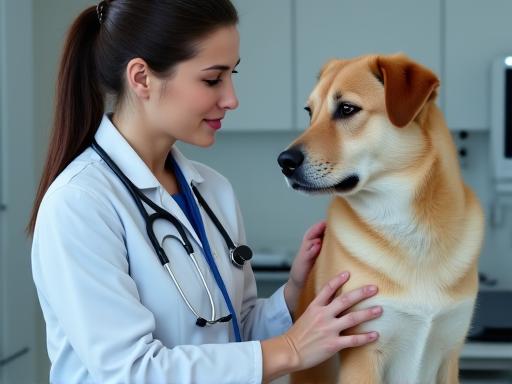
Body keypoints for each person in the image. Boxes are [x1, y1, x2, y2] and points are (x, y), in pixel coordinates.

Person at [28, 1, 382, 383]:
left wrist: (295, 291)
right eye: (213, 79)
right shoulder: (80, 203)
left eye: (233, 75)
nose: (231, 99)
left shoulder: (213, 191)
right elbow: (131, 372)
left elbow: (235, 335)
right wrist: (292, 348)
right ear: (142, 78)